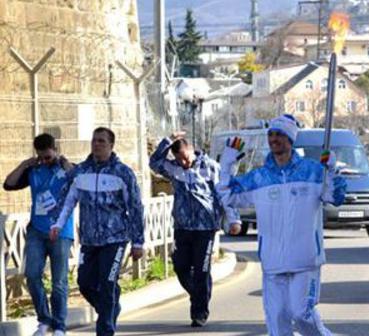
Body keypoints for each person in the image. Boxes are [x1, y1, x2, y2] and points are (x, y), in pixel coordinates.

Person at [217, 114, 346, 336]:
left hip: (305, 259)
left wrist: (332, 171)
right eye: (271, 134)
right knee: (276, 322)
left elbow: (336, 197)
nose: (274, 139)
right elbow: (227, 196)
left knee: (302, 314)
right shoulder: (260, 177)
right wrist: (226, 165)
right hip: (273, 261)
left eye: (279, 135)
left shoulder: (313, 171)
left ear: (290, 139)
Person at [49, 127, 144, 336]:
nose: (97, 145)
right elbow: (68, 200)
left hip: (116, 238)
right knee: (84, 283)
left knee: (107, 283)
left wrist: (138, 242)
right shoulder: (81, 171)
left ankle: (105, 330)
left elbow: (135, 208)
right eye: (94, 141)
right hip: (90, 240)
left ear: (111, 145)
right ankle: (109, 309)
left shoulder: (123, 173)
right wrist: (57, 224)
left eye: (102, 141)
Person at [149, 131, 240, 327]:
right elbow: (154, 162)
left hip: (205, 228)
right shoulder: (174, 169)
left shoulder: (211, 168)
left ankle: (199, 312)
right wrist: (168, 140)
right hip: (182, 227)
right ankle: (199, 294)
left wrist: (233, 220)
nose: (183, 163)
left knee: (202, 270)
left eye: (185, 157)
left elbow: (225, 195)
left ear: (191, 150)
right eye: (178, 159)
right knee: (181, 267)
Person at [3, 134, 74, 336]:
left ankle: (60, 325)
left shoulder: (65, 168)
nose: (45, 161)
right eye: (41, 157)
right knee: (32, 275)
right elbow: (8, 184)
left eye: (48, 157)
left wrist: (63, 162)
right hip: (37, 230)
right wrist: (25, 164)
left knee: (59, 281)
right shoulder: (34, 170)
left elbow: (78, 178)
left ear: (55, 149)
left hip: (61, 230)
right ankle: (44, 320)